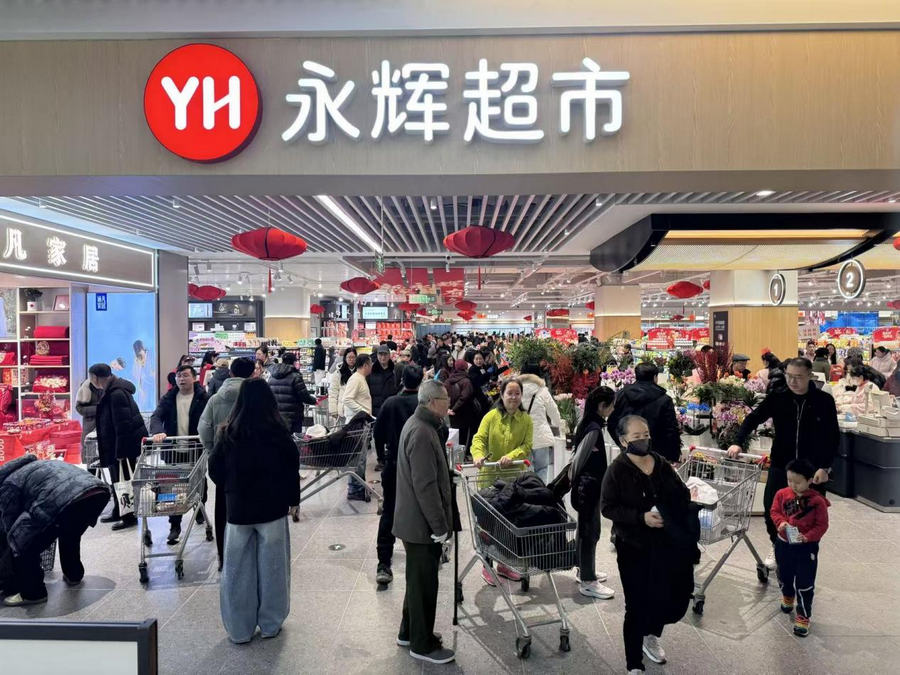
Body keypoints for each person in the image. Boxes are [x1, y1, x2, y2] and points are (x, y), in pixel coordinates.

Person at [601, 415, 697, 674]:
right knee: (635, 604)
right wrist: (640, 517)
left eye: (646, 435)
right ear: (623, 441)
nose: (643, 440)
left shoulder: (660, 463)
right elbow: (608, 507)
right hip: (632, 546)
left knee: (664, 595)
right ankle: (634, 663)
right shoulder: (617, 470)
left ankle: (650, 634)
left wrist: (672, 508)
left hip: (665, 544)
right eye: (636, 437)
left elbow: (681, 493)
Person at [208, 378, 299, 644]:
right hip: (272, 508)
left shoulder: (228, 432)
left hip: (239, 510)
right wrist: (292, 500)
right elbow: (291, 467)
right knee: (274, 569)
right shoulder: (278, 431)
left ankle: (239, 628)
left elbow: (215, 468)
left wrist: (231, 488)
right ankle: (271, 624)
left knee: (237, 572)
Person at [727, 357, 839, 570]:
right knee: (773, 508)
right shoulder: (778, 397)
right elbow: (753, 418)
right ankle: (777, 545)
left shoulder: (823, 401)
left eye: (799, 377)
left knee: (810, 514)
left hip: (812, 469)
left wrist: (825, 466)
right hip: (781, 464)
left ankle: (804, 550)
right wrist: (737, 441)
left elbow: (832, 436)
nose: (793, 381)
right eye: (789, 376)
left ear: (810, 376)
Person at [392, 380, 456, 665]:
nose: (448, 403)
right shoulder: (421, 432)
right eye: (445, 399)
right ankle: (422, 644)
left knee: (416, 582)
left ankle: (409, 632)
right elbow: (425, 486)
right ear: (432, 402)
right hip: (421, 525)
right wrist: (440, 527)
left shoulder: (423, 425)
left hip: (415, 521)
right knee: (424, 585)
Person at [0, 457, 111, 607]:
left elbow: (8, 520)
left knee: (21, 541)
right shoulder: (35, 466)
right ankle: (74, 574)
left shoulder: (8, 484)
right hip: (97, 492)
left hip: (64, 498)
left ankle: (33, 593)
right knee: (70, 532)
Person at [471, 378, 533, 585]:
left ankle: (504, 564)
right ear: (502, 395)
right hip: (489, 479)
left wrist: (512, 456)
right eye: (509, 393)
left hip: (513, 480)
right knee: (487, 525)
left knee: (508, 525)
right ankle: (487, 565)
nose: (513, 397)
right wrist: (478, 455)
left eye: (517, 393)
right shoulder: (491, 416)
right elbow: (479, 439)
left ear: (521, 396)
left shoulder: (526, 420)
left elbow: (527, 445)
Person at [199, 356, 255, 570]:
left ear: (230, 373)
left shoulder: (215, 399)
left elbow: (204, 428)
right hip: (252, 461)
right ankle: (250, 555)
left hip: (225, 462)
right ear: (252, 374)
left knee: (223, 509)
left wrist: (213, 450)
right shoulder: (255, 397)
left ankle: (224, 558)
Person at [373, 364, 424, 586]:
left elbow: (377, 433)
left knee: (390, 512)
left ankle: (384, 563)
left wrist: (386, 450)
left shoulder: (390, 403)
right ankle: (425, 554)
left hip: (394, 463)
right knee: (423, 509)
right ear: (421, 382)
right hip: (419, 465)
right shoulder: (424, 405)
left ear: (402, 380)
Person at [149, 365, 210, 545]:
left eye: (185, 375)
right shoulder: (168, 398)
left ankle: (199, 509)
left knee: (199, 482)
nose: (181, 379)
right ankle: (174, 525)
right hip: (173, 450)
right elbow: (156, 416)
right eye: (178, 376)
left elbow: (210, 419)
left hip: (195, 448)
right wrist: (158, 432)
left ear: (194, 378)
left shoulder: (203, 398)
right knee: (171, 486)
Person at [769, 457, 830, 638]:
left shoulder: (817, 502)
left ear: (810, 481)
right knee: (783, 574)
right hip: (783, 543)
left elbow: (822, 525)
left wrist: (808, 537)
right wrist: (780, 523)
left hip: (806, 548)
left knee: (805, 581)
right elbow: (774, 511)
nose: (793, 485)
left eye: (797, 482)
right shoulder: (781, 494)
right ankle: (787, 595)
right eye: (789, 480)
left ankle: (803, 615)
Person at [569, 386, 616, 600]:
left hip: (587, 486)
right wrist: (573, 479)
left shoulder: (587, 423)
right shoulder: (594, 428)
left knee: (586, 528)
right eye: (611, 405)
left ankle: (583, 570)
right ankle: (588, 580)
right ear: (602, 405)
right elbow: (578, 459)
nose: (613, 409)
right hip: (588, 487)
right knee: (590, 531)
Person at [90, 363, 147, 531]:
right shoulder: (112, 390)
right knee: (117, 480)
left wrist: (121, 451)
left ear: (95, 377)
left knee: (124, 482)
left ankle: (128, 516)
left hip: (122, 447)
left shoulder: (116, 394)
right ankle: (118, 511)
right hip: (115, 445)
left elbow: (123, 425)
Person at [607, 363, 682, 463]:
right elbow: (671, 430)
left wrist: (622, 443)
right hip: (657, 454)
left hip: (628, 451)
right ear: (655, 377)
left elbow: (611, 423)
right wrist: (673, 456)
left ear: (636, 376)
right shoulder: (664, 400)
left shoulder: (620, 395)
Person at [519, 363, 562, 483]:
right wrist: (557, 424)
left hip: (522, 437)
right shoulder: (542, 390)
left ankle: (526, 491)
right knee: (542, 469)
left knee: (524, 470)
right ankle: (540, 491)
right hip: (541, 436)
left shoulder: (516, 390)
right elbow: (553, 411)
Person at [344, 354, 374, 501]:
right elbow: (347, 399)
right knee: (357, 458)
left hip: (361, 423)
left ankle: (359, 486)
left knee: (361, 458)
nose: (372, 367)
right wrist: (363, 412)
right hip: (356, 424)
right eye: (371, 364)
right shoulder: (356, 379)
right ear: (365, 365)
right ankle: (355, 488)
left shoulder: (361, 379)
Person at [268, 352, 317, 434]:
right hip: (293, 417)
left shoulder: (272, 376)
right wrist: (314, 401)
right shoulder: (295, 376)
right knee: (294, 439)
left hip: (277, 416)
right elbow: (304, 396)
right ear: (294, 362)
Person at [368, 345, 399, 471]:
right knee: (378, 435)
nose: (383, 357)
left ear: (389, 355)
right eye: (380, 354)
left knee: (392, 434)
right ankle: (381, 460)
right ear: (377, 356)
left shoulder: (395, 371)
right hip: (376, 408)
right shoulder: (371, 372)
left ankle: (391, 458)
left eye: (385, 354)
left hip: (392, 408)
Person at [445, 359, 478, 454]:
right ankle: (463, 455)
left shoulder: (448, 381)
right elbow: (465, 397)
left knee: (455, 436)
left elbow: (444, 396)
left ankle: (456, 455)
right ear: (465, 368)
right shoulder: (466, 381)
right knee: (465, 436)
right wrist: (454, 408)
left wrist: (449, 409)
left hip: (453, 415)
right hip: (465, 414)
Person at [75, 376, 103, 446]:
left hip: (108, 427)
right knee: (88, 450)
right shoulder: (85, 387)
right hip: (90, 427)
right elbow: (79, 408)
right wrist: (98, 409)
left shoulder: (111, 387)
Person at [328, 348, 357, 417]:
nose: (351, 359)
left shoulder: (360, 372)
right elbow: (333, 391)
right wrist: (333, 410)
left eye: (353, 357)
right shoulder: (338, 373)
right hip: (343, 410)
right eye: (349, 357)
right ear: (345, 358)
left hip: (356, 409)